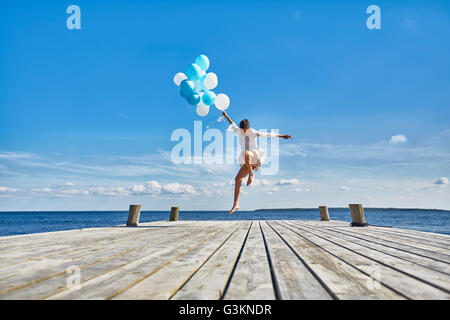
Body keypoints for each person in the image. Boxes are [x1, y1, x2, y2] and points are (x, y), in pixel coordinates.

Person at [222, 111, 292, 214]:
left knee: (246, 153)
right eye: (242, 130)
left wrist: (281, 136)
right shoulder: (238, 130)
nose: (244, 132)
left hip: (255, 155)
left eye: (245, 130)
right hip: (247, 160)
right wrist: (226, 115)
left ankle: (251, 175)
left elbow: (268, 134)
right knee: (237, 179)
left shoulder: (253, 132)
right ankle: (236, 204)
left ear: (248, 128)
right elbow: (232, 124)